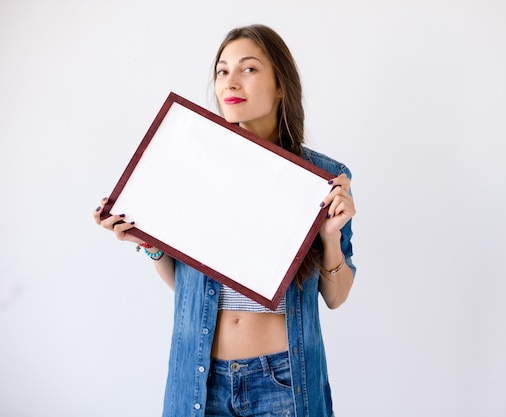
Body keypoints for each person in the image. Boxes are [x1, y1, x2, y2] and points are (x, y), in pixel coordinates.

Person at [93, 24, 356, 417]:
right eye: (221, 70)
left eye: (248, 69)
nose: (230, 81)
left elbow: (335, 297)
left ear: (281, 85)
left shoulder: (320, 179)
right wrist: (147, 241)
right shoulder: (192, 168)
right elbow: (186, 284)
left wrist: (330, 237)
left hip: (283, 380)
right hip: (200, 378)